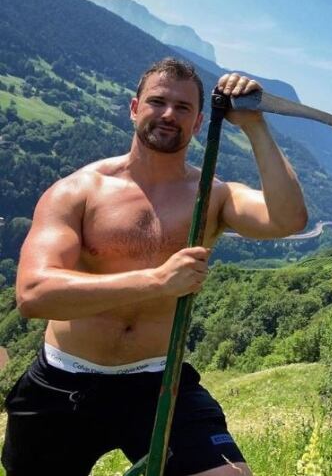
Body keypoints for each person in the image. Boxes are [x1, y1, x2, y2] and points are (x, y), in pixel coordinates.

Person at [2, 58, 308, 476]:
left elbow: (288, 219)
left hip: (158, 381)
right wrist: (157, 281)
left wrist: (255, 125)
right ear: (134, 108)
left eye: (183, 108)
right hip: (64, 381)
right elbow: (34, 295)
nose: (168, 114)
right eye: (157, 102)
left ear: (199, 122)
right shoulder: (79, 191)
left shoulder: (212, 195)